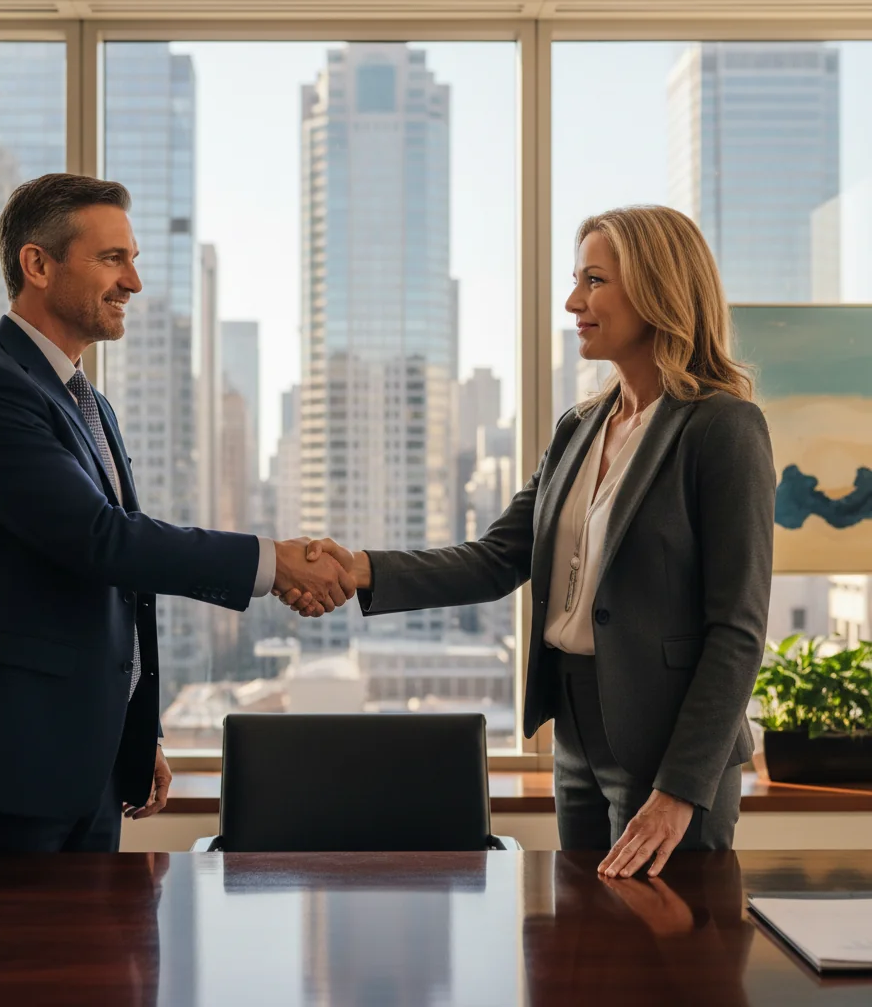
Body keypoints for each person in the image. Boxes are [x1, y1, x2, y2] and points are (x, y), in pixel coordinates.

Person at [283, 205, 775, 876]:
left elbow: (737, 629)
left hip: (668, 746)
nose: (574, 301)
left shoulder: (722, 428)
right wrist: (358, 568)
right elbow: (496, 559)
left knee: (668, 962)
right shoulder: (580, 427)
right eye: (578, 281)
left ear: (659, 290)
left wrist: (679, 790)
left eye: (595, 281)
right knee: (584, 947)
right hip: (572, 729)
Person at [0, 173, 354, 852]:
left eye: (133, 260)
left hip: (84, 768)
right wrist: (271, 561)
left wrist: (139, 736)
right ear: (38, 265)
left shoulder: (88, 402)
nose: (134, 283)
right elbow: (101, 541)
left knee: (89, 963)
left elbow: (110, 593)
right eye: (114, 259)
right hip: (0, 768)